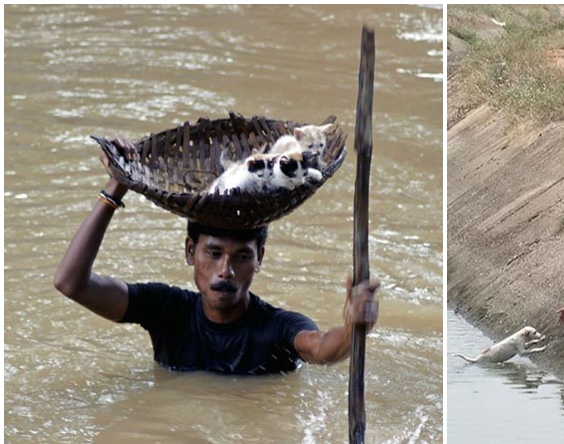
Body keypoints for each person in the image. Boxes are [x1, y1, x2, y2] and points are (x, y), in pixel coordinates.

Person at [54, 142, 379, 375]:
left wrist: (353, 329)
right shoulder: (165, 311)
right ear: (189, 251)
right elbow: (71, 283)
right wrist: (114, 189)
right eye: (213, 253)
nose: (226, 271)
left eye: (241, 257)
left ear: (259, 258)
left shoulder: (279, 327)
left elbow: (321, 348)